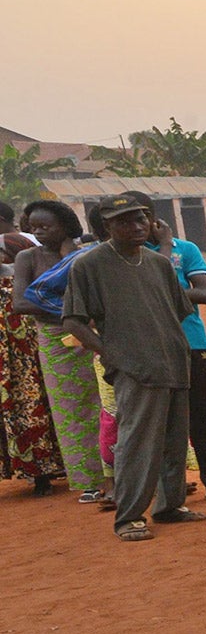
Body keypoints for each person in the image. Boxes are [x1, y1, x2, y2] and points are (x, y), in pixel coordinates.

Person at [58, 190, 206, 540]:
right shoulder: (90, 264)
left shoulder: (157, 263)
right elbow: (73, 322)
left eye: (141, 218)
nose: (137, 226)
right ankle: (128, 516)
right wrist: (109, 353)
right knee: (137, 442)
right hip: (134, 367)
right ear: (107, 226)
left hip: (173, 360)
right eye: (125, 221)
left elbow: (180, 309)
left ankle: (170, 506)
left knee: (173, 440)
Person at [10, 200, 109, 504]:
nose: (38, 232)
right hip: (56, 342)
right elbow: (21, 303)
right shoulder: (28, 257)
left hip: (95, 337)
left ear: (66, 226)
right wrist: (71, 312)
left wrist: (70, 261)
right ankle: (89, 480)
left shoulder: (85, 254)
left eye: (45, 226)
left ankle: (118, 474)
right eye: (34, 227)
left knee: (106, 406)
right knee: (71, 412)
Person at [143, 213, 206, 499]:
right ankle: (168, 488)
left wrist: (168, 249)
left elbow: (203, 294)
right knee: (159, 421)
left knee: (203, 416)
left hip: (192, 341)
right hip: (149, 348)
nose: (138, 225)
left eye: (144, 217)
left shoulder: (187, 248)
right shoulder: (126, 258)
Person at [0, 224, 63, 494]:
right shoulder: (34, 284)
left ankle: (41, 475)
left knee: (29, 412)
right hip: (26, 366)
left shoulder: (19, 288)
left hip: (23, 368)